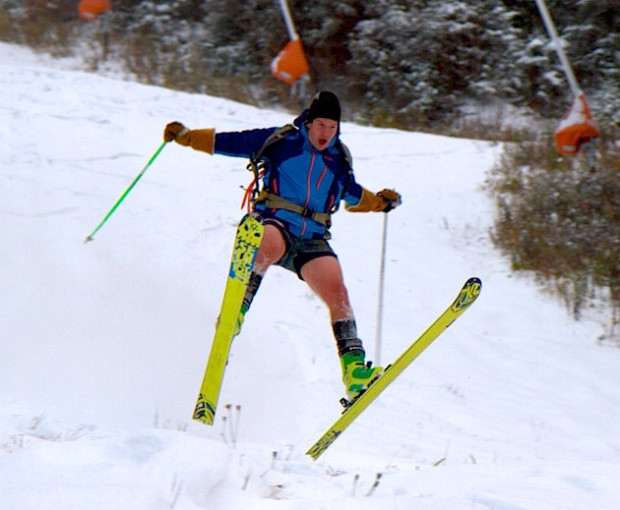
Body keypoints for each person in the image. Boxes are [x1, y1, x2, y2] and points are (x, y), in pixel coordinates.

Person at [163, 91, 401, 401]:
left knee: (338, 293)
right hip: (275, 222)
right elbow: (232, 142)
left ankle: (354, 371)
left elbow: (351, 193)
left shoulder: (339, 158)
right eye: (320, 125)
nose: (325, 133)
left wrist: (380, 203)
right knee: (267, 246)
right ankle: (235, 313)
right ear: (309, 121)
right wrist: (186, 137)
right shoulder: (283, 141)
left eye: (331, 127)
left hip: (312, 239)